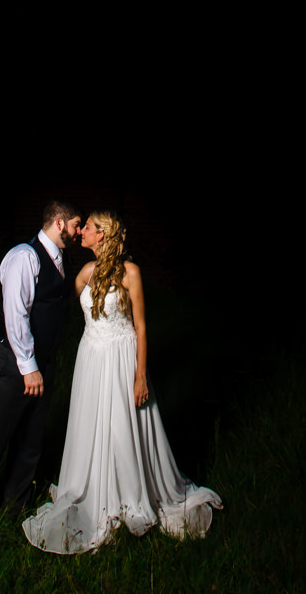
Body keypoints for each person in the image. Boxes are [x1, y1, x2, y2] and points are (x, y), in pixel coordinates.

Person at [22, 210, 222, 553]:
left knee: (123, 425)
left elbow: (142, 327)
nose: (81, 230)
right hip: (92, 359)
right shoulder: (86, 272)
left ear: (103, 235)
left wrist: (140, 376)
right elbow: (53, 306)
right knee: (93, 424)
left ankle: (131, 492)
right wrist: (11, 318)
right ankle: (94, 489)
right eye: (80, 225)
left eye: (87, 227)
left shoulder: (131, 273)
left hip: (122, 358)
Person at [0, 200, 82, 536]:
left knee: (30, 438)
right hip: (15, 365)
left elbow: (52, 302)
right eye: (76, 224)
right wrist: (29, 367)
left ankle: (17, 505)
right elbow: (16, 313)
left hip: (44, 365)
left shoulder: (62, 259)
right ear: (59, 222)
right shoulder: (23, 256)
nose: (79, 231)